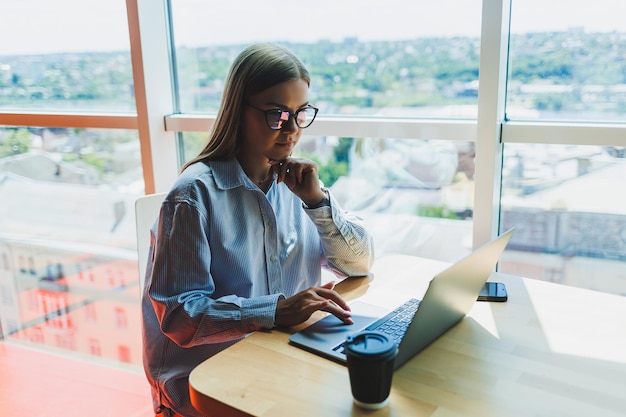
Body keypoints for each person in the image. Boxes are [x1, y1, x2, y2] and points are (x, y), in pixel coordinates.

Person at [141, 43, 375, 417]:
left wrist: (317, 202)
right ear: (238, 111)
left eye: (301, 115)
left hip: (279, 361)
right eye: (277, 114)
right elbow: (179, 316)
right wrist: (276, 310)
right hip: (208, 388)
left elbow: (360, 264)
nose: (292, 130)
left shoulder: (296, 183)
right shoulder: (192, 197)